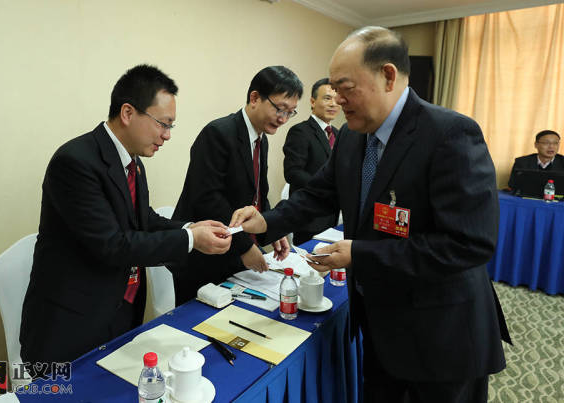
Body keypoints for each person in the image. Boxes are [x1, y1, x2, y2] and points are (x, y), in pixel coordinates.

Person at [231, 27, 510, 403]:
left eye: (345, 88)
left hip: (442, 334)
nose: (336, 99)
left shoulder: (449, 134)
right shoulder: (351, 137)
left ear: (388, 76)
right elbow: (317, 194)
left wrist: (360, 254)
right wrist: (267, 221)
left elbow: (469, 244)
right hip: (381, 327)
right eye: (332, 89)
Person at [20, 65, 232, 370]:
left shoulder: (133, 163)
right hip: (71, 325)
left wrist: (190, 227)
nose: (167, 135)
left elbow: (141, 218)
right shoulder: (75, 162)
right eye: (163, 124)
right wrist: (189, 239)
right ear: (128, 113)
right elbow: (113, 245)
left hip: (120, 312)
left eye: (171, 126)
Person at [170, 66, 300, 305]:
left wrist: (272, 229)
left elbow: (258, 195)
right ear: (255, 98)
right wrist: (244, 247)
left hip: (233, 253)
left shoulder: (261, 139)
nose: (283, 119)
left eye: (290, 113)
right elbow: (208, 199)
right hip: (204, 257)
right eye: (280, 109)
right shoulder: (218, 133)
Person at [283, 78, 340, 245]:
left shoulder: (339, 134)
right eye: (327, 98)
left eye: (336, 99)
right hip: (308, 217)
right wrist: (325, 188)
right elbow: (293, 173)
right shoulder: (300, 131)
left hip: (332, 215)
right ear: (313, 101)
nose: (333, 104)